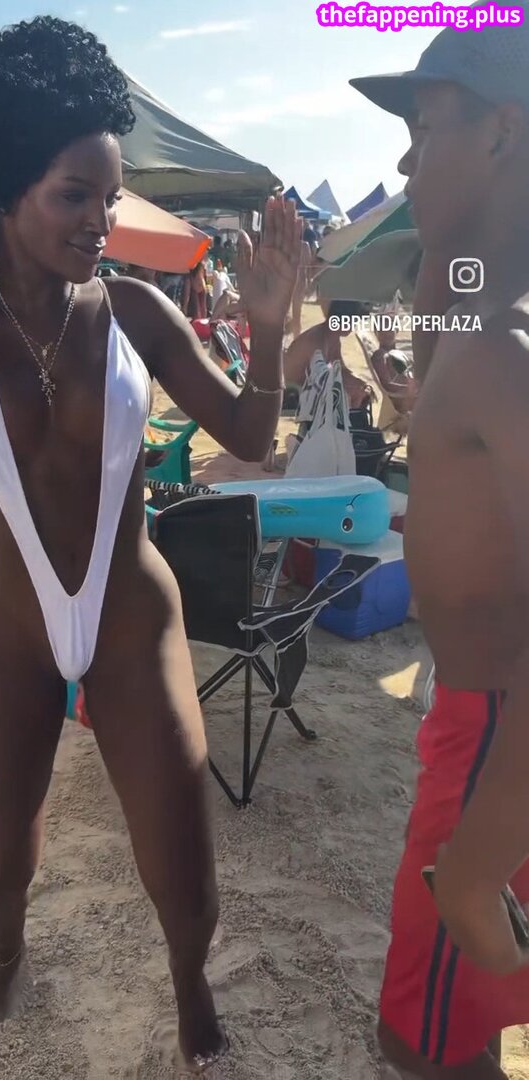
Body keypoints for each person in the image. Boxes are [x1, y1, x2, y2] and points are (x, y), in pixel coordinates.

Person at [0, 17, 302, 1068]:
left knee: (181, 867)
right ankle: (8, 956)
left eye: (111, 196)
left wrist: (269, 329)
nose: (101, 220)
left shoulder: (133, 309)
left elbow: (248, 435)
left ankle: (189, 981)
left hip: (133, 612)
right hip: (8, 623)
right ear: (4, 188)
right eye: (74, 195)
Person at [351, 8, 529, 1078]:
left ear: (503, 131)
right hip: (483, 718)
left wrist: (471, 866)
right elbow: (433, 335)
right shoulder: (477, 310)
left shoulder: (506, 349)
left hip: (499, 733)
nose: (404, 163)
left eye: (424, 130)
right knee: (472, 1013)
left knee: (421, 1044)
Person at [283, 298, 373, 411]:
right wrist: (351, 387)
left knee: (360, 390)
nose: (353, 326)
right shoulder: (317, 340)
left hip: (310, 387)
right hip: (293, 392)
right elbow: (320, 379)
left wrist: (358, 382)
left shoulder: (332, 337)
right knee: (352, 394)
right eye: (352, 322)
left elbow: (340, 369)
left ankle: (353, 418)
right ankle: (351, 419)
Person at [370, 326, 418, 434]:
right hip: (401, 400)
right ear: (376, 333)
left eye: (389, 328)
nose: (386, 333)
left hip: (408, 397)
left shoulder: (398, 354)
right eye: (382, 330)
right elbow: (387, 385)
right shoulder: (380, 355)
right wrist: (411, 389)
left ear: (396, 330)